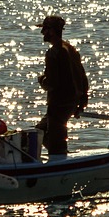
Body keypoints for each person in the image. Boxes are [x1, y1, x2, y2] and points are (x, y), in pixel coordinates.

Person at [35, 15, 89, 156]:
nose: (42, 33)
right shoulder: (71, 49)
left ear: (51, 31)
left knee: (56, 146)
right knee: (38, 132)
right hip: (71, 103)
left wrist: (41, 80)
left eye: (45, 29)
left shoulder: (54, 53)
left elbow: (52, 84)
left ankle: (60, 164)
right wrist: (82, 103)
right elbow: (83, 78)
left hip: (59, 105)